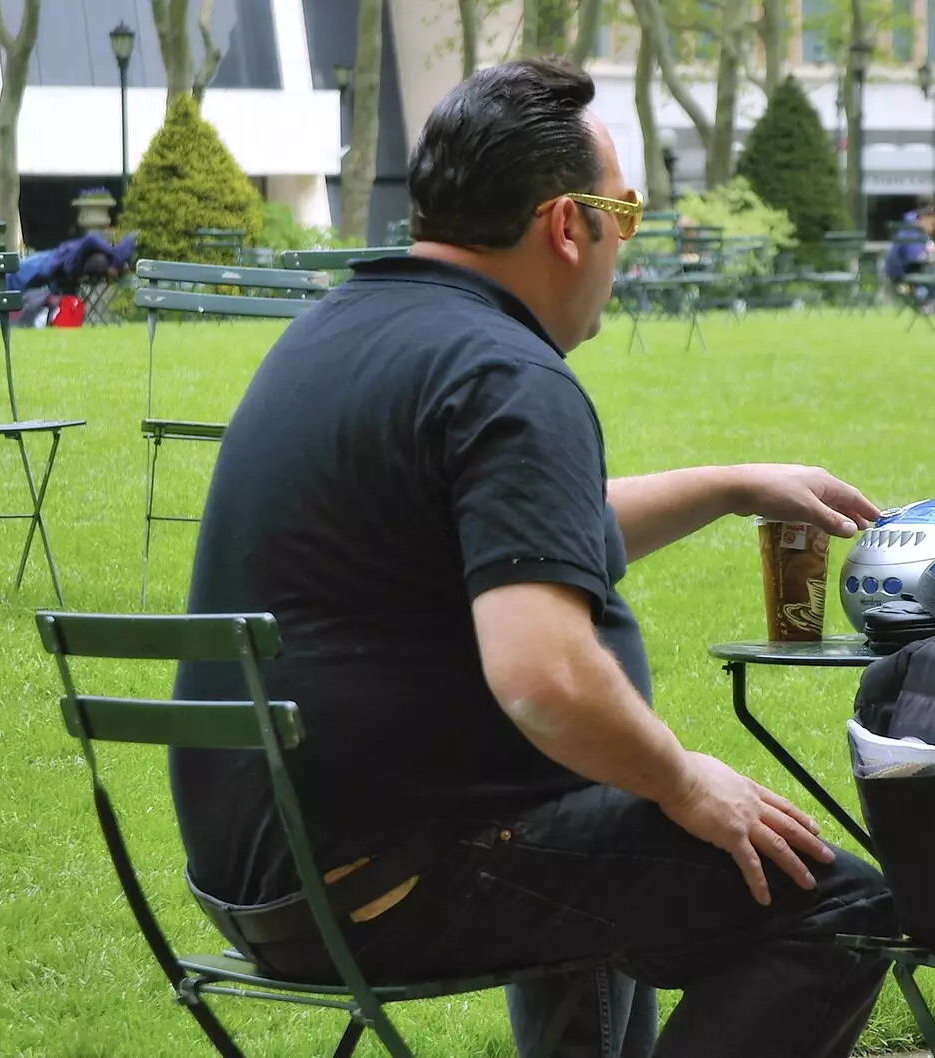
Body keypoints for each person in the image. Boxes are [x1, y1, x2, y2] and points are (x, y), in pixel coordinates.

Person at [167, 57, 896, 1058]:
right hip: (385, 877)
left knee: (590, 810)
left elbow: (527, 533)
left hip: (269, 875)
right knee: (837, 900)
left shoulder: (343, 332)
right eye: (625, 214)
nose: (623, 246)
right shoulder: (506, 373)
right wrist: (682, 777)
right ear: (566, 224)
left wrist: (729, 483)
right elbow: (545, 677)